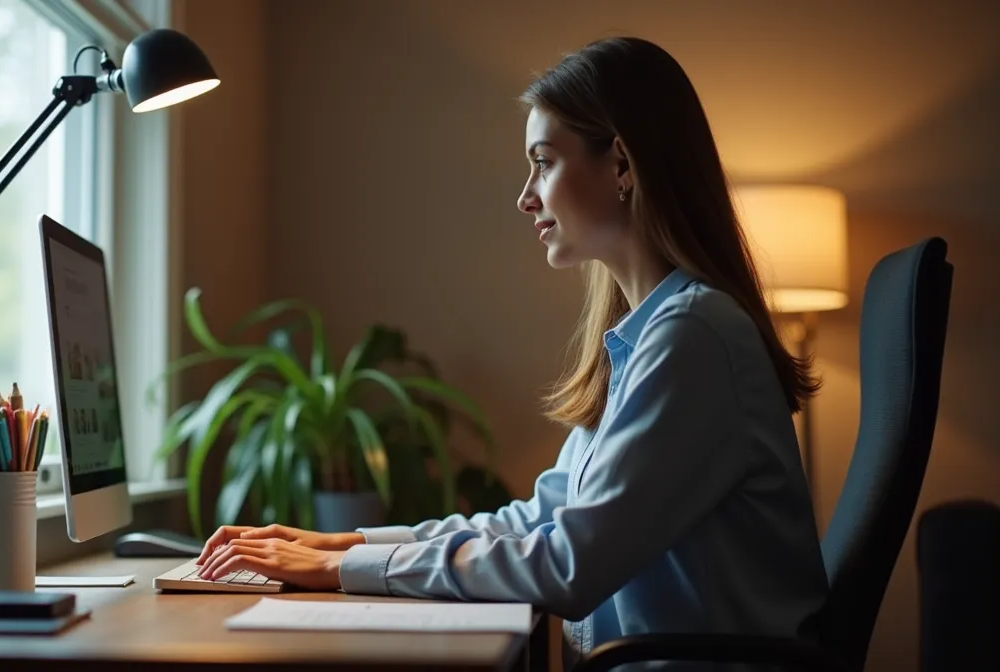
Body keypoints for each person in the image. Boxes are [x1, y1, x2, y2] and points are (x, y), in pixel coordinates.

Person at [195, 36, 828, 668]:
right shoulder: (654, 332)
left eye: (544, 162)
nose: (526, 196)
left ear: (622, 165)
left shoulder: (694, 336)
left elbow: (568, 564)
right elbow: (540, 518)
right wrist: (343, 543)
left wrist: (343, 567)